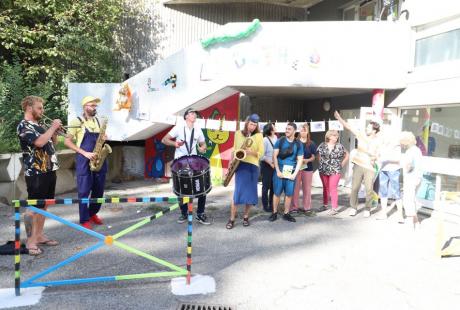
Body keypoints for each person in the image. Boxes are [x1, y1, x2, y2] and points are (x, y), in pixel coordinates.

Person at [17, 96, 61, 255]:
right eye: (39, 108)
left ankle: (40, 235)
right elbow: (39, 143)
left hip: (49, 169)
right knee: (33, 207)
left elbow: (50, 143)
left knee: (45, 205)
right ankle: (30, 242)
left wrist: (54, 132)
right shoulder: (24, 126)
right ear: (29, 108)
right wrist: (52, 127)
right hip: (36, 172)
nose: (42, 111)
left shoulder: (39, 125)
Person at [64, 96, 108, 229]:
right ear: (85, 107)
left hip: (99, 157)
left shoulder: (99, 122)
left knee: (98, 190)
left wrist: (104, 139)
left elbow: (100, 140)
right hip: (84, 159)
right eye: (92, 105)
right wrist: (85, 153)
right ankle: (84, 219)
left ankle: (92, 213)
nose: (95, 108)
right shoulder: (76, 121)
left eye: (96, 106)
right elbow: (67, 141)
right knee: (84, 191)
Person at [162, 108, 210, 225]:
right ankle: (184, 213)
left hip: (194, 161)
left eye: (195, 114)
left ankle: (200, 213)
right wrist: (175, 144)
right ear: (186, 116)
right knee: (182, 189)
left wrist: (202, 148)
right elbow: (164, 139)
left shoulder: (198, 129)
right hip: (180, 162)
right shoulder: (179, 127)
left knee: (201, 187)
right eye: (192, 113)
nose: (194, 115)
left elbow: (203, 144)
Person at [334, 111, 380, 218]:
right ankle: (353, 208)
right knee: (355, 188)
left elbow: (378, 154)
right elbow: (349, 127)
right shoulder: (361, 135)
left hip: (370, 167)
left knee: (369, 189)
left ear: (374, 131)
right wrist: (339, 118)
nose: (366, 129)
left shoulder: (378, 141)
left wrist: (374, 157)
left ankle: (367, 209)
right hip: (358, 165)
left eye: (369, 128)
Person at [226, 114, 264, 229]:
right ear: (247, 122)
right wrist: (230, 162)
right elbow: (234, 149)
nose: (252, 127)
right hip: (240, 166)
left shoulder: (259, 136)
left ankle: (246, 217)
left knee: (250, 193)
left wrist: (250, 152)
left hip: (252, 167)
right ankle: (231, 219)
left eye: (254, 125)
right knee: (237, 193)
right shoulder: (238, 133)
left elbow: (261, 154)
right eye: (251, 124)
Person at [269, 122, 304, 222]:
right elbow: (274, 156)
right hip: (279, 170)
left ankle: (286, 213)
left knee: (289, 194)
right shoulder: (280, 141)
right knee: (277, 193)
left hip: (291, 171)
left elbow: (300, 160)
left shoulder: (298, 143)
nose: (286, 130)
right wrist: (277, 171)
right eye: (286, 128)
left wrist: (295, 174)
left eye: (289, 129)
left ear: (294, 131)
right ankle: (274, 212)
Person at [317, 130, 349, 215]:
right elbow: (319, 156)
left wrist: (341, 165)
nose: (336, 137)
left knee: (333, 188)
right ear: (329, 136)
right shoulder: (322, 145)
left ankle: (334, 208)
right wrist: (321, 164)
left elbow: (347, 155)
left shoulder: (339, 146)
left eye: (337, 136)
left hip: (335, 170)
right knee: (325, 188)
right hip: (323, 169)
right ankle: (325, 205)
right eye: (334, 135)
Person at [290, 123, 317, 216]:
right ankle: (294, 207)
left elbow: (314, 157)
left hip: (308, 168)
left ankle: (307, 207)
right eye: (301, 130)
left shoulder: (312, 143)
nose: (303, 132)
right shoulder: (295, 142)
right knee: (295, 189)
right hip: (296, 168)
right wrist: (298, 160)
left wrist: (307, 160)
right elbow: (291, 154)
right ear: (299, 131)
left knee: (307, 189)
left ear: (307, 132)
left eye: (305, 130)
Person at [376, 132, 403, 220]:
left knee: (396, 191)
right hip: (383, 169)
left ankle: (400, 215)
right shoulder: (382, 145)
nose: (383, 138)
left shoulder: (396, 145)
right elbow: (378, 156)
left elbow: (398, 159)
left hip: (393, 170)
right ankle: (384, 213)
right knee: (383, 191)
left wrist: (385, 159)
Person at [400, 131, 423, 227]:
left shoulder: (409, 152)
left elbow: (409, 166)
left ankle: (410, 222)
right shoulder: (417, 150)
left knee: (408, 199)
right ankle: (416, 221)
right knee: (412, 199)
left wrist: (404, 165)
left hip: (410, 178)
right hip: (418, 177)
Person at [261, 123, 277, 212]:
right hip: (267, 166)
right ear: (271, 130)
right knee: (265, 187)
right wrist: (270, 163)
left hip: (275, 165)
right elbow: (261, 156)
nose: (275, 127)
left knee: (273, 187)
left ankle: (271, 205)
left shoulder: (276, 138)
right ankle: (265, 205)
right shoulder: (265, 140)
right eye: (273, 126)